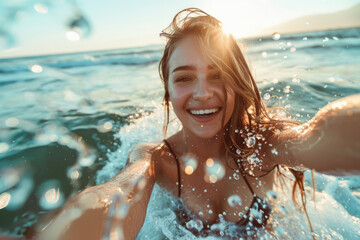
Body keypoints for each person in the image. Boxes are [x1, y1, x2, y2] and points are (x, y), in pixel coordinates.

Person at [35, 8, 360, 240]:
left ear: (237, 82)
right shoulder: (155, 159)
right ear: (168, 91)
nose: (203, 93)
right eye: (185, 78)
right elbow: (119, 193)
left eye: (217, 75)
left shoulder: (264, 144)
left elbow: (315, 139)